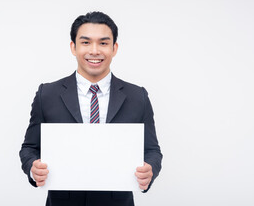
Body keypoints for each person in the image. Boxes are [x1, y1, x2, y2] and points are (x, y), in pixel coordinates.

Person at [19, 11, 162, 206]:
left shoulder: (138, 96)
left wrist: (150, 169)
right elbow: (29, 148)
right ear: (73, 47)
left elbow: (152, 150)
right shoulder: (47, 94)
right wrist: (32, 168)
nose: (94, 51)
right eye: (86, 42)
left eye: (103, 43)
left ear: (114, 48)